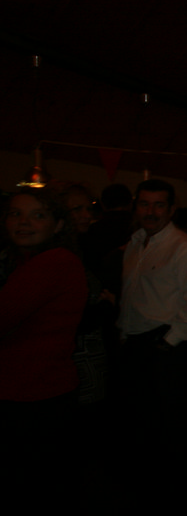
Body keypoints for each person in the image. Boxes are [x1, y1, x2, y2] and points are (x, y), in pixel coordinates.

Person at [115, 178, 187, 500]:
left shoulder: (184, 247)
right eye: (144, 204)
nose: (151, 211)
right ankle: (148, 486)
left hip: (167, 345)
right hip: (136, 343)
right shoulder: (135, 243)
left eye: (158, 205)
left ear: (171, 210)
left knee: (173, 424)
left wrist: (168, 342)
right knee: (141, 421)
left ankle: (179, 493)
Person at [0, 188, 88, 509]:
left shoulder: (53, 262)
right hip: (34, 393)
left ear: (58, 225)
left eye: (38, 215)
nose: (24, 222)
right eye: (15, 213)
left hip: (35, 398)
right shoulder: (27, 261)